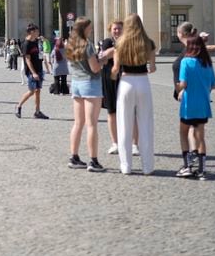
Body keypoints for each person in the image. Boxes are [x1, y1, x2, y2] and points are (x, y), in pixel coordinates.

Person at [112, 13, 156, 175]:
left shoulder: (120, 43)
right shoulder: (149, 43)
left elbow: (115, 69)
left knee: (124, 124)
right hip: (143, 82)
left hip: (126, 82)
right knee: (145, 123)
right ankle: (147, 166)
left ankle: (126, 166)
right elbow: (152, 68)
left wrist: (110, 75)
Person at [66, 18, 105, 172]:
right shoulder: (87, 44)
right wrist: (104, 59)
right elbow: (94, 68)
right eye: (90, 27)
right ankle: (93, 161)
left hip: (76, 83)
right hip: (90, 84)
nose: (91, 29)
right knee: (91, 124)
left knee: (78, 123)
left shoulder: (71, 44)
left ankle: (74, 157)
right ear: (84, 29)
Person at [175, 36, 215, 180]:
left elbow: (183, 83)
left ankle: (187, 166)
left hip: (189, 104)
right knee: (200, 138)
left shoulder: (186, 61)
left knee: (183, 133)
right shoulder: (207, 63)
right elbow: (213, 85)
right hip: (203, 105)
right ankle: (202, 170)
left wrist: (177, 87)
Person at [98, 20, 138, 156]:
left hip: (126, 78)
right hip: (109, 79)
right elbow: (103, 58)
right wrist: (115, 49)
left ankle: (134, 144)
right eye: (114, 29)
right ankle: (115, 143)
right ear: (111, 30)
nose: (117, 31)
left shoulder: (130, 42)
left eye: (119, 29)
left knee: (131, 112)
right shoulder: (107, 42)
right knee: (111, 111)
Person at [15, 24, 49, 119]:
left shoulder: (36, 41)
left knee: (38, 91)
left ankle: (37, 112)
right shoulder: (26, 44)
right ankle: (18, 106)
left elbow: (45, 42)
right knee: (32, 91)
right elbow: (27, 60)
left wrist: (43, 39)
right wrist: (33, 73)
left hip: (39, 68)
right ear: (32, 32)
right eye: (37, 31)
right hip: (31, 71)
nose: (38, 33)